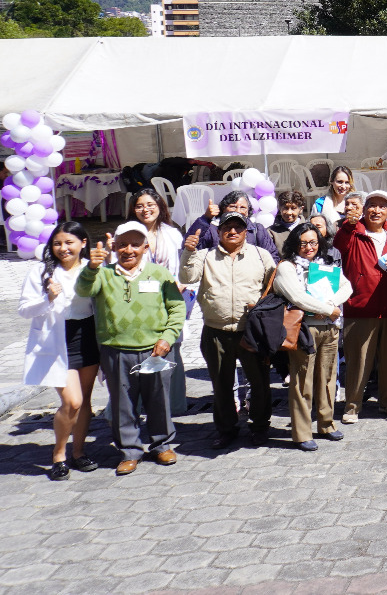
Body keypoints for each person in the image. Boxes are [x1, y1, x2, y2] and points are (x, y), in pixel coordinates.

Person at [76, 223, 185, 476]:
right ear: (113, 247)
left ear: (146, 247)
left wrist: (167, 338)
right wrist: (92, 267)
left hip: (155, 350)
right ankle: (129, 451)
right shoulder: (103, 274)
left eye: (135, 244)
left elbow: (177, 308)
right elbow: (83, 290)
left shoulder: (160, 274)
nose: (129, 249)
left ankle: (162, 445)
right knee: (122, 404)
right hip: (115, 350)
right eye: (122, 244)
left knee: (158, 400)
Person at [181, 210, 276, 449]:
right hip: (216, 331)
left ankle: (260, 426)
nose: (232, 232)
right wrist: (188, 252)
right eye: (227, 228)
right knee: (221, 384)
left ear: (246, 231)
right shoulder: (205, 256)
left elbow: (272, 286)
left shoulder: (260, 255)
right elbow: (188, 277)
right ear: (218, 231)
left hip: (250, 332)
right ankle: (226, 429)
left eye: (238, 228)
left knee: (259, 382)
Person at [19, 222, 99, 479]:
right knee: (71, 401)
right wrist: (48, 298)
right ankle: (59, 454)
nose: (63, 248)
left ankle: (78, 452)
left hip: (87, 337)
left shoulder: (92, 268)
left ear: (83, 243)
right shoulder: (41, 272)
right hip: (57, 341)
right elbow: (24, 310)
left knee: (84, 401)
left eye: (69, 242)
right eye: (57, 243)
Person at [274, 222, 353, 451]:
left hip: (330, 327)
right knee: (302, 381)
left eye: (313, 242)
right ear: (294, 244)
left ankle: (326, 423)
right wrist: (330, 309)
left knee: (328, 377)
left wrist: (330, 305)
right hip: (304, 328)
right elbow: (298, 298)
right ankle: (301, 432)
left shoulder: (325, 264)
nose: (309, 247)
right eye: (303, 243)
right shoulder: (287, 267)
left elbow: (346, 287)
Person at [334, 191, 387, 423]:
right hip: (360, 308)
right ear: (364, 209)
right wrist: (348, 225)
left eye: (382, 207)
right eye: (372, 206)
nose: (376, 210)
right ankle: (352, 406)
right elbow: (339, 244)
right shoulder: (353, 232)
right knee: (358, 362)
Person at [129, 187, 188, 417]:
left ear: (160, 207)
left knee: (171, 346)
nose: (146, 210)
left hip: (168, 296)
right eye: (140, 206)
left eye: (150, 205)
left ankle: (172, 407)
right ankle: (139, 404)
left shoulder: (172, 233)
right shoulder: (127, 233)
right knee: (141, 349)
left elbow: (183, 263)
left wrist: (182, 283)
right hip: (138, 300)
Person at [185, 190, 280, 259]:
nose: (238, 211)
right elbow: (192, 249)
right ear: (223, 208)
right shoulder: (212, 228)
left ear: (248, 211)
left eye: (243, 207)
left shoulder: (257, 230)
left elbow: (272, 256)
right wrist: (205, 218)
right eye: (233, 207)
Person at [315, 166, 357, 231]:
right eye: (340, 182)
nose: (343, 186)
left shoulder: (357, 203)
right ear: (331, 181)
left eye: (347, 182)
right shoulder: (320, 204)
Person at [270, 190, 308, 254]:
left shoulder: (308, 229)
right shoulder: (271, 232)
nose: (289, 212)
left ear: (301, 209)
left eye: (293, 208)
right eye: (285, 208)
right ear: (279, 208)